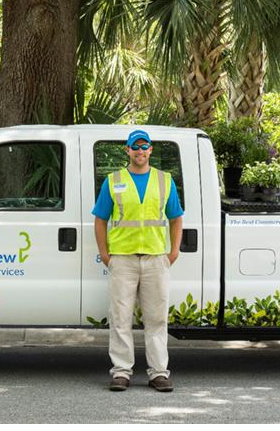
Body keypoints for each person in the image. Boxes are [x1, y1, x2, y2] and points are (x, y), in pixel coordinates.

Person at [92, 130, 184, 392]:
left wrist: (173, 252)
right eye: (135, 147)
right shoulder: (113, 181)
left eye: (145, 147)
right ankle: (121, 372)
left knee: (157, 319)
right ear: (128, 150)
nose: (140, 151)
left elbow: (176, 218)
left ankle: (158, 373)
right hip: (123, 260)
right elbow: (100, 220)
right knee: (120, 318)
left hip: (156, 259)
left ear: (150, 150)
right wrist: (105, 255)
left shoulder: (165, 181)